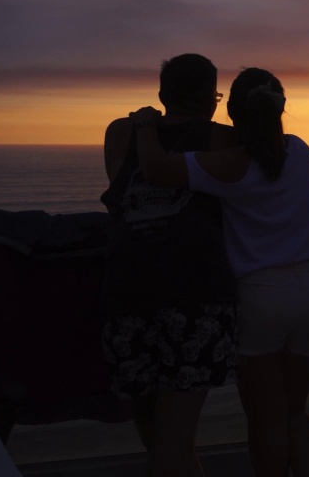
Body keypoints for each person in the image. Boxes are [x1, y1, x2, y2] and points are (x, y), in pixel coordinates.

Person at [129, 67, 309, 477]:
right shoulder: (301, 150)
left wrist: (145, 124)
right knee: (295, 413)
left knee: (266, 420)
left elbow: (155, 168)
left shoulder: (230, 165)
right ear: (281, 108)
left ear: (233, 112)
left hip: (261, 296)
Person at [100, 53, 238, 477]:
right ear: (212, 99)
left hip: (127, 294)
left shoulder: (122, 132)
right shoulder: (223, 140)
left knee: (158, 432)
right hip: (196, 296)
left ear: (161, 94)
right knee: (174, 439)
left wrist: (147, 126)